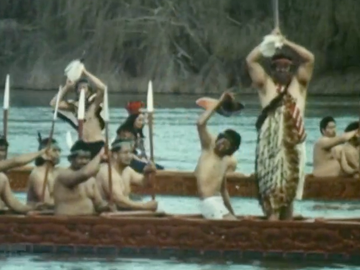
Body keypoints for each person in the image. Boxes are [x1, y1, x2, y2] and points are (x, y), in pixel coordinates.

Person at [246, 27, 315, 220]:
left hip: (294, 145)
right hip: (271, 147)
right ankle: (272, 231)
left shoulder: (299, 85)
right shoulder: (266, 85)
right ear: (273, 69)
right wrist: (269, 42)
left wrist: (285, 43)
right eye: (278, 67)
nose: (282, 70)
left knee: (290, 193)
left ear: (291, 69)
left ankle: (287, 231)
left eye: (286, 67)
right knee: (271, 194)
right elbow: (250, 61)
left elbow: (309, 58)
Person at [195, 92, 241, 220]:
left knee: (238, 224)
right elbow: (200, 124)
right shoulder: (208, 148)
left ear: (230, 149)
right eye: (222, 141)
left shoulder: (226, 160)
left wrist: (233, 213)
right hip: (208, 201)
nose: (221, 145)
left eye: (226, 145)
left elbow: (224, 190)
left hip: (218, 201)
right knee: (234, 227)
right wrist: (220, 102)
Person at [49, 67, 106, 157]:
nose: (82, 89)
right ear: (77, 91)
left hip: (97, 143)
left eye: (84, 87)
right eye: (80, 88)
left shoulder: (94, 105)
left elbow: (102, 88)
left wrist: (85, 72)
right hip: (82, 143)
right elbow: (53, 104)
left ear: (89, 89)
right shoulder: (74, 106)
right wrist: (67, 87)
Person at [53, 140, 115, 215]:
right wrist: (100, 155)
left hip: (89, 222)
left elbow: (98, 204)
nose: (84, 161)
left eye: (87, 158)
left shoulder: (91, 180)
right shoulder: (64, 176)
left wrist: (106, 206)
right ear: (70, 159)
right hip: (66, 223)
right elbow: (85, 173)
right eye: (81, 158)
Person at [96, 138, 158, 211]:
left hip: (123, 212)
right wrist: (144, 206)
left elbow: (144, 183)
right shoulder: (107, 172)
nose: (129, 156)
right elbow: (118, 200)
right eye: (125, 153)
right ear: (115, 155)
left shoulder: (127, 170)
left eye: (130, 152)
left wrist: (147, 174)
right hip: (109, 215)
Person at [0, 136, 47, 214]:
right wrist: (41, 153)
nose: (1, 154)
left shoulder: (2, 178)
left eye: (3, 150)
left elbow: (15, 205)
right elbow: (16, 161)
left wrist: (33, 207)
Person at [26, 133, 61, 208]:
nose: (58, 154)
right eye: (54, 150)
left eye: (59, 150)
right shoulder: (38, 175)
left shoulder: (58, 172)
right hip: (39, 216)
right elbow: (45, 202)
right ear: (44, 154)